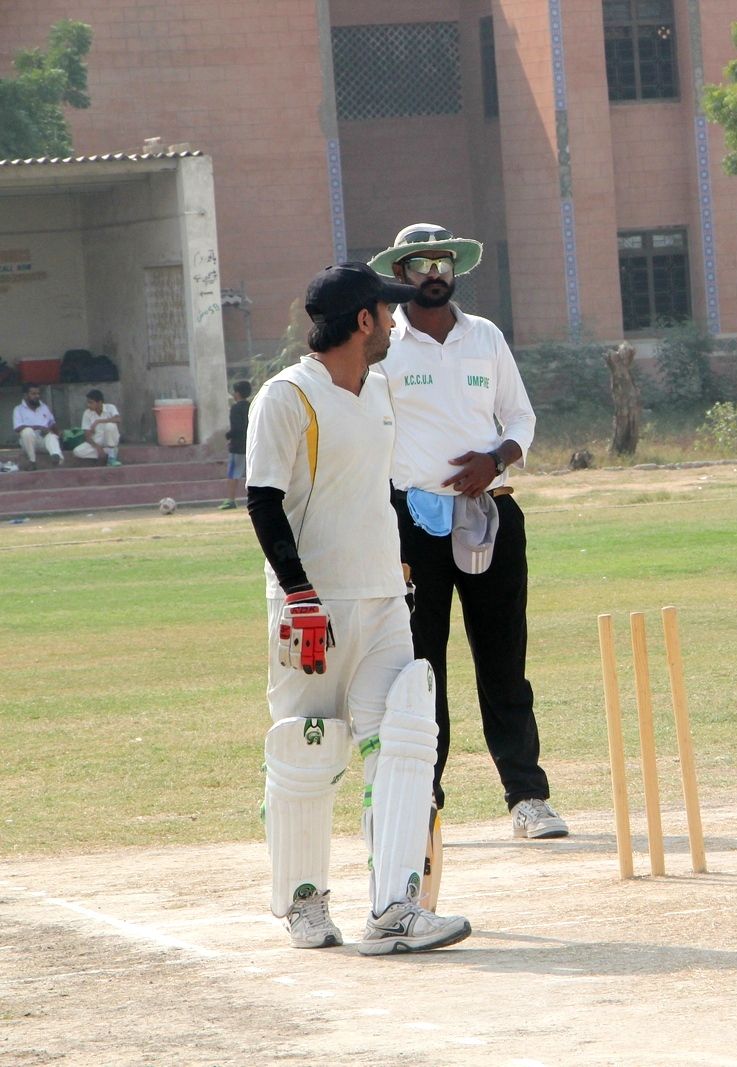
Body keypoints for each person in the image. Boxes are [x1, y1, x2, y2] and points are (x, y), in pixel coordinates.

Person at [246, 261, 471, 955]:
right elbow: (262, 500)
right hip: (313, 607)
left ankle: (395, 908)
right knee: (306, 748)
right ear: (364, 320)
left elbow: (379, 487)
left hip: (382, 600)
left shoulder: (379, 389)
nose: (396, 323)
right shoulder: (287, 396)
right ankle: (304, 904)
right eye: (387, 311)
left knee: (405, 734)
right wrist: (299, 592)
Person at [370, 223, 566, 840]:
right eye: (420, 264)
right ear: (400, 273)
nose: (434, 274)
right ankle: (421, 797)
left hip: (490, 513)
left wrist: (495, 460)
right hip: (413, 521)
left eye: (443, 263)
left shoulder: (485, 336)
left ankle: (527, 797)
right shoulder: (384, 346)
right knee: (420, 665)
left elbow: (521, 417)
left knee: (504, 660)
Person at [13, 385, 62, 469]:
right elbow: (18, 427)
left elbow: (52, 424)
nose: (37, 396)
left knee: (52, 436)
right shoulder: (18, 409)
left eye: (38, 394)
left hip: (43, 441)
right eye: (33, 394)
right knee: (27, 431)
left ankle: (56, 457)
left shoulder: (44, 407)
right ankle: (32, 461)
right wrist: (39, 427)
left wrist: (57, 434)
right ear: (25, 395)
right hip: (28, 444)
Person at [220, 380, 251, 509]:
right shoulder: (251, 406)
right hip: (251, 445)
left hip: (237, 447)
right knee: (252, 474)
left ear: (237, 393)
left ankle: (231, 500)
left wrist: (228, 436)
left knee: (233, 474)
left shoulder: (235, 408)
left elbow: (237, 428)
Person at [72, 389, 122, 466]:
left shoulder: (110, 407)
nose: (88, 405)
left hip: (110, 440)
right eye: (88, 402)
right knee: (77, 451)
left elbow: (118, 419)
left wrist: (98, 421)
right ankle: (109, 453)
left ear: (99, 402)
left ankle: (111, 457)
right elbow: (87, 436)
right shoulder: (87, 413)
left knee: (110, 425)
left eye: (91, 402)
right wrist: (98, 448)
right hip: (97, 442)